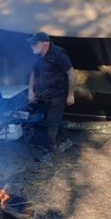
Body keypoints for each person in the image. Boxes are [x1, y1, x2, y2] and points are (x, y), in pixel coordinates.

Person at [27, 32, 75, 162]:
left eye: (34, 44)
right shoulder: (38, 57)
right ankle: (65, 141)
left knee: (52, 123)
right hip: (44, 94)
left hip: (58, 94)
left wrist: (70, 94)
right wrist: (31, 91)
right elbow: (33, 73)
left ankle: (49, 150)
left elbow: (70, 73)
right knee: (50, 119)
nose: (31, 46)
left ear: (43, 44)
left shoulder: (59, 54)